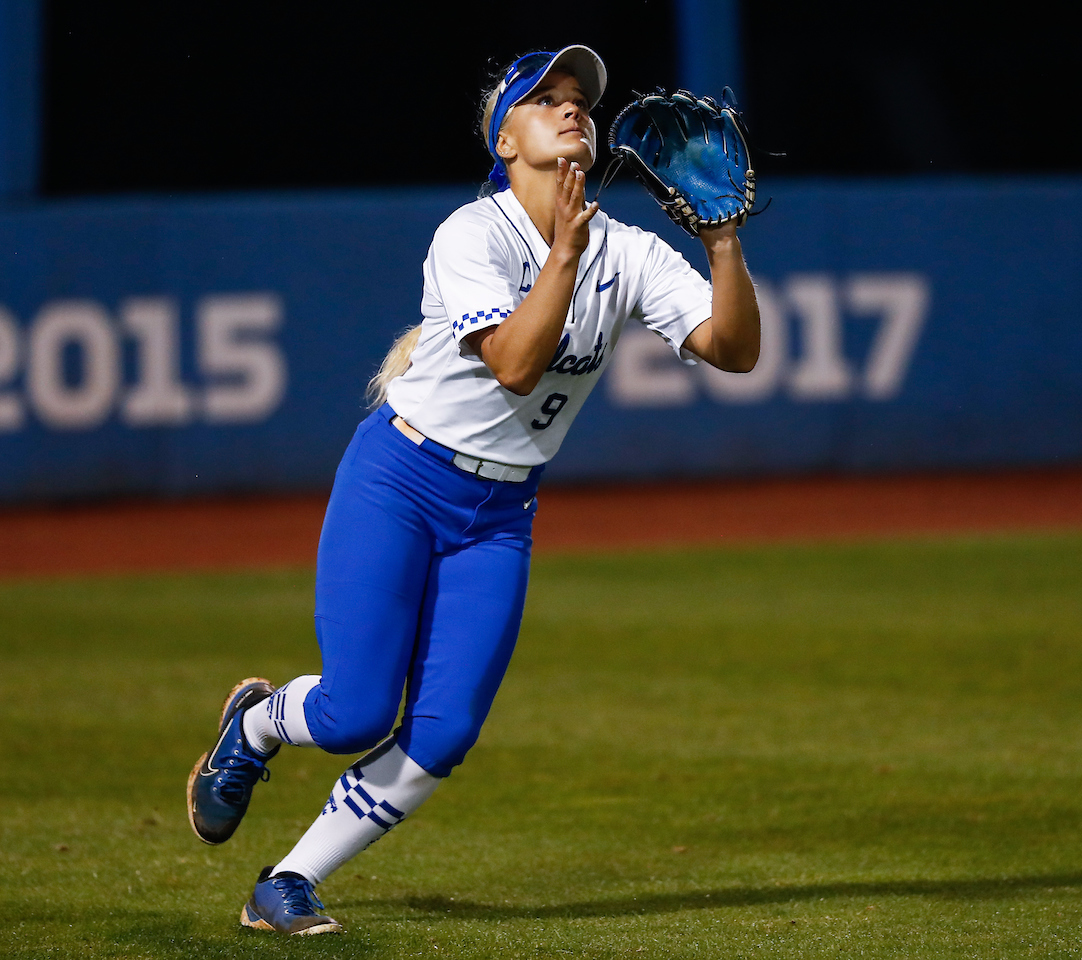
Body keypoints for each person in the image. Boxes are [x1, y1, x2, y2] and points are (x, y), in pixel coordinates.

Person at [186, 43, 760, 936]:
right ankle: (259, 726)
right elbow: (518, 367)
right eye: (545, 100)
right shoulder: (471, 235)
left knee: (445, 733)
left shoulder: (631, 251)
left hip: (500, 513)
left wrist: (723, 242)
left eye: (580, 100)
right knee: (355, 710)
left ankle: (286, 882)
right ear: (505, 140)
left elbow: (734, 349)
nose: (571, 110)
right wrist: (564, 257)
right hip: (401, 480)